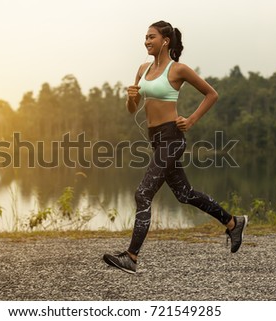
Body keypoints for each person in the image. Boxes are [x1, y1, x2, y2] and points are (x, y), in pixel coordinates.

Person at [103, 20, 247, 274]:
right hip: (156, 139)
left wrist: (191, 119)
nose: (146, 41)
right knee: (185, 194)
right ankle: (233, 222)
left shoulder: (178, 69)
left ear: (165, 41)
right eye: (145, 37)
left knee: (143, 193)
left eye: (151, 37)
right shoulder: (143, 69)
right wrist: (131, 97)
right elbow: (132, 110)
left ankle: (131, 257)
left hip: (172, 137)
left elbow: (211, 94)